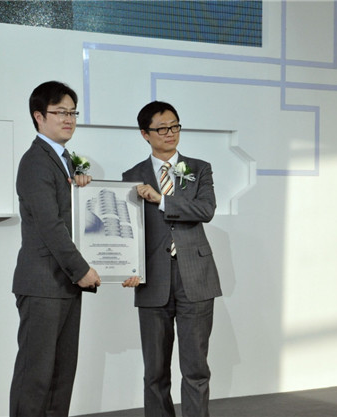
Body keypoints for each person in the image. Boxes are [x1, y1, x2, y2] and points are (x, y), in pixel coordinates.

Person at [122, 101, 222, 417]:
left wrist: (162, 199)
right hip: (152, 279)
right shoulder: (131, 176)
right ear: (145, 134)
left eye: (175, 126)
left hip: (196, 277)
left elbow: (206, 209)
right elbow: (127, 230)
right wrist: (127, 266)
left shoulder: (199, 168)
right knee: (154, 372)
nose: (170, 133)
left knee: (195, 368)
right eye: (162, 128)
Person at [10, 81, 101, 417]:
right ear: (39, 116)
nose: (69, 119)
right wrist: (82, 270)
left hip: (63, 283)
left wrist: (80, 188)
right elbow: (50, 225)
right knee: (35, 377)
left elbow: (68, 213)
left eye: (73, 112)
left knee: (61, 376)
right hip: (43, 284)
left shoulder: (64, 161)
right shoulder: (36, 161)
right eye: (60, 112)